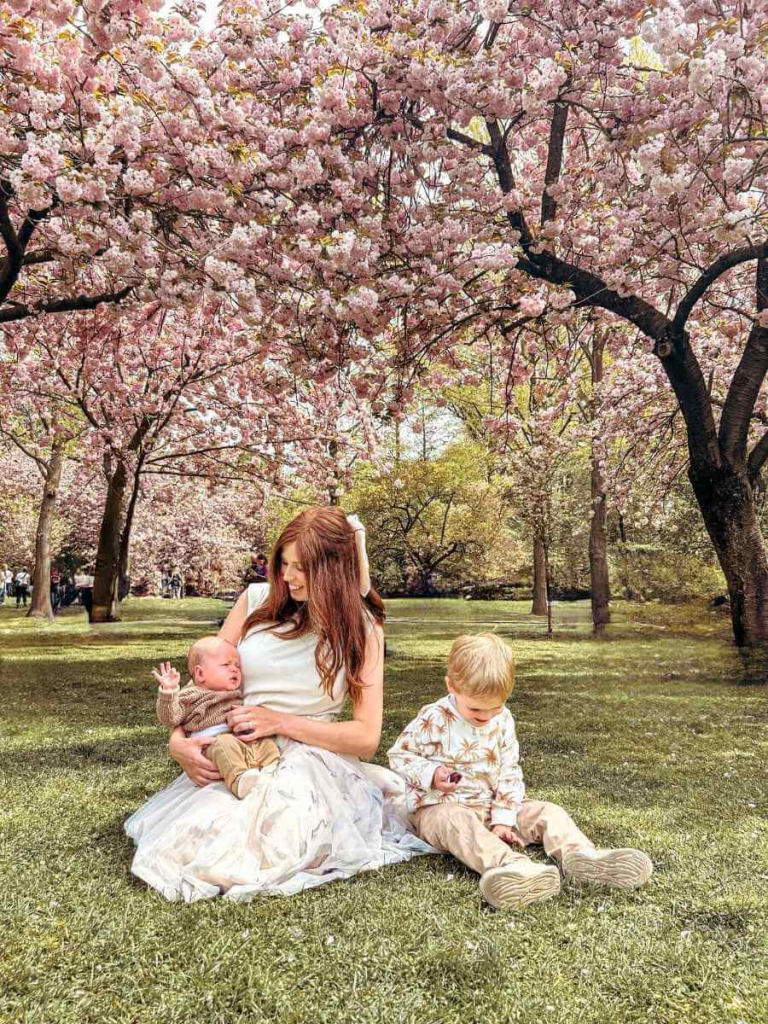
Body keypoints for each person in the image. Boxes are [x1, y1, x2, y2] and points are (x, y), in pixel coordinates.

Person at [125, 507, 428, 902]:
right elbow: (203, 688)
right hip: (237, 751)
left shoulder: (363, 628)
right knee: (188, 846)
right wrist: (178, 740)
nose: (286, 576)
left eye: (300, 567)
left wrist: (278, 722)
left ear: (333, 569)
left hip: (312, 760)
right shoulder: (254, 601)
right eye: (283, 563)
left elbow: (365, 737)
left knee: (260, 853)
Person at [388, 633, 653, 911]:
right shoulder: (433, 718)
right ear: (451, 686)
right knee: (453, 820)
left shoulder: (502, 720)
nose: (486, 716)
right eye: (476, 708)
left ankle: (582, 857)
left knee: (548, 811)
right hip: (439, 808)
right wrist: (431, 773)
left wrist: (503, 818)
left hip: (491, 805)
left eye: (496, 707)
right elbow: (399, 755)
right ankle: (511, 867)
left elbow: (509, 770)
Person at [154, 637, 280, 799]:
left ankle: (269, 769)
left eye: (237, 666)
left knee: (266, 743)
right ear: (200, 674)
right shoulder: (191, 695)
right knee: (224, 744)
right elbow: (171, 718)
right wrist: (169, 693)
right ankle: (239, 781)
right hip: (210, 745)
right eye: (226, 665)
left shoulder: (235, 695)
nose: (234, 669)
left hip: (238, 742)